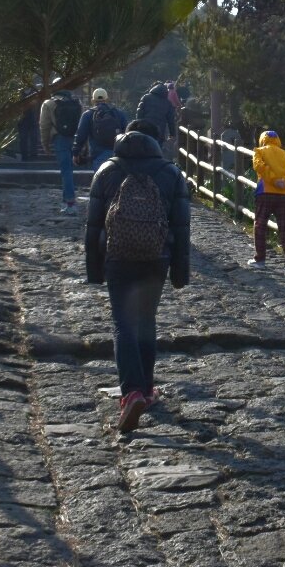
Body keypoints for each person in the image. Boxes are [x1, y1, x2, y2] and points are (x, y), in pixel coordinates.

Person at [85, 119, 192, 433]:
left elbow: (93, 226)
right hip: (156, 257)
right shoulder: (171, 173)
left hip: (117, 257)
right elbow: (182, 228)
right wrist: (180, 272)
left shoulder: (107, 170)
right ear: (156, 142)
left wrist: (94, 269)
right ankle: (145, 390)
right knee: (146, 320)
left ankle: (131, 391)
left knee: (123, 322)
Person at [248, 130, 285, 278]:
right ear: (278, 141)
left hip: (265, 192)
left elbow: (259, 166)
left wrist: (273, 179)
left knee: (260, 226)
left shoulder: (259, 151)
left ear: (262, 140)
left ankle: (260, 259)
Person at [39, 89, 82, 215]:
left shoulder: (48, 104)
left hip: (60, 139)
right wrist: (83, 144)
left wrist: (45, 144)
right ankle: (66, 201)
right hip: (73, 138)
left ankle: (70, 203)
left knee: (66, 171)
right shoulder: (77, 103)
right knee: (69, 170)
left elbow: (44, 126)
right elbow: (81, 124)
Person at [74, 87, 126, 172]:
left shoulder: (88, 114)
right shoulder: (118, 113)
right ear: (107, 99)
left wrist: (76, 153)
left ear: (93, 100)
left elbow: (81, 135)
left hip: (97, 154)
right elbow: (126, 132)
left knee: (100, 178)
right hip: (116, 154)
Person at [136, 81, 181, 149]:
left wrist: (138, 126)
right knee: (157, 147)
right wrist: (172, 134)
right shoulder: (167, 102)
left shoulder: (146, 97)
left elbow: (139, 113)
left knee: (144, 145)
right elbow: (170, 120)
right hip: (159, 129)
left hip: (145, 126)